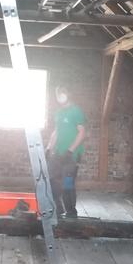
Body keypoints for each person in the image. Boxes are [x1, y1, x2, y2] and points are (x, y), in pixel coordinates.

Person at [46, 85, 86, 218]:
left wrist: (70, 151)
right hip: (58, 153)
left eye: (62, 93)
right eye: (58, 94)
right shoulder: (58, 113)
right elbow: (56, 132)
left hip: (71, 155)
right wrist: (48, 148)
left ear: (68, 94)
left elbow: (82, 132)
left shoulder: (76, 111)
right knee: (51, 180)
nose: (60, 96)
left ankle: (71, 212)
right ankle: (58, 208)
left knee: (67, 184)